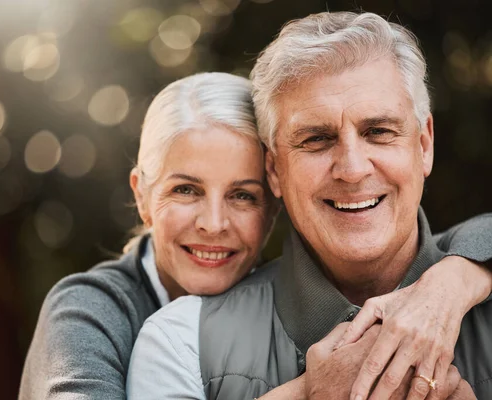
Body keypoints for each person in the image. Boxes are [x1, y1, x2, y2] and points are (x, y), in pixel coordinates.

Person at [19, 73, 491, 400]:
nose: (213, 223)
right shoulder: (89, 309)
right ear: (142, 195)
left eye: (243, 196)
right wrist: (310, 390)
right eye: (185, 189)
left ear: (276, 199)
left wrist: (455, 280)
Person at [126, 12, 492, 400]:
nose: (352, 169)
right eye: (316, 139)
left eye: (378, 132)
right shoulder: (181, 344)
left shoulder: (473, 277)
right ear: (274, 170)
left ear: (423, 146)